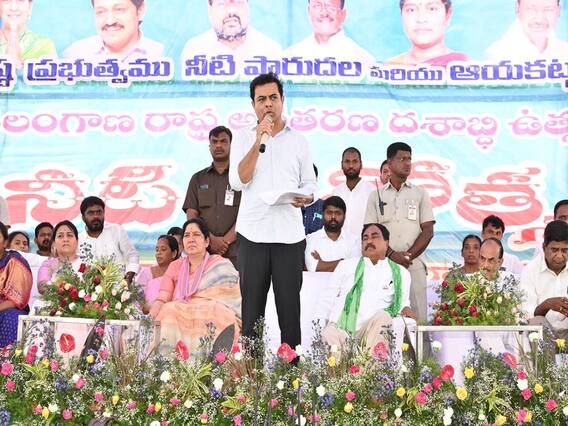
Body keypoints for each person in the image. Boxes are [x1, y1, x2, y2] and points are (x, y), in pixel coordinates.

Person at [229, 72, 317, 351]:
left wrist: (306, 197)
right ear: (253, 105)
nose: (268, 104)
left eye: (273, 98)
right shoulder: (243, 137)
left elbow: (310, 182)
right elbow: (238, 181)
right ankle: (251, 375)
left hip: (289, 236)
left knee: (289, 312)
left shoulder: (299, 140)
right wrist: (258, 142)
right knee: (252, 313)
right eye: (261, 99)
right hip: (253, 234)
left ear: (282, 100)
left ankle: (290, 374)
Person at [364, 142, 435, 323]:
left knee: (418, 320)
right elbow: (370, 232)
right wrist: (392, 255)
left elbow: (428, 231)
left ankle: (419, 345)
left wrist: (407, 256)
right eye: (402, 158)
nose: (407, 163)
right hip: (383, 265)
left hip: (414, 265)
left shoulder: (420, 194)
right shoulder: (375, 196)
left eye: (409, 159)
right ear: (389, 162)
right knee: (382, 319)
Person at [318, 223, 416, 352]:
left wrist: (406, 307)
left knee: (384, 317)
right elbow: (327, 298)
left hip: (372, 330)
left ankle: (366, 364)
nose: (369, 241)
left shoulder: (401, 273)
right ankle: (348, 365)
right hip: (342, 329)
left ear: (386, 243)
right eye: (365, 238)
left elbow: (403, 303)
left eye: (374, 237)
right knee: (329, 333)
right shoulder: (345, 266)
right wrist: (320, 324)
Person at [149, 218, 240, 353]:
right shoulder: (175, 266)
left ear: (206, 241)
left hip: (210, 315)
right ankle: (168, 364)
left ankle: (214, 364)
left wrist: (200, 307)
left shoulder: (220, 264)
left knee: (218, 312)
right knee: (168, 310)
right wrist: (149, 319)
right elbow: (162, 298)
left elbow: (231, 301)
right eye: (187, 235)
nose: (191, 239)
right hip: (178, 316)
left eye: (196, 235)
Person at [183, 126, 240, 268]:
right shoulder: (197, 179)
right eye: (214, 142)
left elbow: (247, 214)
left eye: (223, 141)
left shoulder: (241, 178)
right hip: (204, 252)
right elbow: (191, 215)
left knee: (238, 283)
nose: (218, 145)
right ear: (209, 147)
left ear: (231, 145)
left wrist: (225, 242)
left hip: (237, 252)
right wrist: (210, 239)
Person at [181, 0, 282, 73]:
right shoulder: (194, 50)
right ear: (210, 9)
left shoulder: (271, 50)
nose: (231, 11)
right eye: (222, 3)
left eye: (239, 2)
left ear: (248, 7)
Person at [63, 0, 163, 62]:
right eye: (101, 12)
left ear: (140, 11)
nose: (110, 21)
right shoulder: (74, 54)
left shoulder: (161, 55)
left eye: (119, 9)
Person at [283, 0, 375, 65]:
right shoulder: (289, 57)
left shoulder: (363, 60)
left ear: (343, 14)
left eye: (331, 7)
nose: (324, 13)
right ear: (308, 11)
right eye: (317, 6)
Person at [521, 220, 568, 338]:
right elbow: (528, 316)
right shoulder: (530, 271)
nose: (559, 256)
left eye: (564, 250)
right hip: (544, 334)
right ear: (544, 247)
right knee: (535, 322)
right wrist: (547, 305)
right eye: (554, 250)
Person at [386, 0, 468, 67]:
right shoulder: (389, 68)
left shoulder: (463, 67)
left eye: (432, 9)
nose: (421, 19)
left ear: (448, 15)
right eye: (411, 10)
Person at [78, 196, 140, 283]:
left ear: (104, 213)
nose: (96, 216)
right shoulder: (78, 240)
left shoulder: (117, 231)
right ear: (83, 217)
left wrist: (127, 279)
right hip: (89, 290)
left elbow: (132, 256)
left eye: (99, 212)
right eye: (91, 213)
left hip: (119, 287)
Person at [487, 0, 568, 61]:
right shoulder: (497, 55)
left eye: (548, 10)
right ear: (517, 8)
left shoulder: (565, 51)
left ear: (558, 11)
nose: (539, 20)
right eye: (531, 9)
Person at [305, 196, 360, 272]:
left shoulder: (354, 241)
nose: (333, 217)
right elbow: (313, 267)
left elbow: (355, 267)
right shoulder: (310, 239)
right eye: (329, 213)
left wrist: (323, 264)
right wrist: (345, 262)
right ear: (323, 215)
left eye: (338, 213)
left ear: (344, 216)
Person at [0, 221, 32, 348]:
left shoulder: (14, 261)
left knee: (12, 317)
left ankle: (8, 358)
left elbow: (16, 300)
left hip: (8, 310)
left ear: (5, 243)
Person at [0, 0, 57, 68]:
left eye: (20, 0)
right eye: (6, 0)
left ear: (30, 6)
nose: (13, 8)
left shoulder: (43, 44)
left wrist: (18, 65)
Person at [332, 147, 374, 237]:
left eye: (355, 161)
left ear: (361, 164)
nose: (351, 166)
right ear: (341, 164)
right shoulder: (336, 192)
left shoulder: (372, 190)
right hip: (340, 243)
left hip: (364, 243)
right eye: (347, 161)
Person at [37, 221, 84, 294]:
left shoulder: (87, 263)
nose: (65, 239)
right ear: (54, 243)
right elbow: (42, 287)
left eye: (69, 235)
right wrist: (64, 287)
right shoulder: (48, 264)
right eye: (60, 236)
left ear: (77, 241)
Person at [137, 235, 179, 305]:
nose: (158, 253)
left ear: (174, 253)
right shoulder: (146, 273)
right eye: (157, 250)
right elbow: (137, 298)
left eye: (163, 249)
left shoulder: (180, 274)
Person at [302, 164, 325, 236]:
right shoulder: (288, 205)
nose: (304, 183)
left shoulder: (324, 207)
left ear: (316, 180)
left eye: (309, 180)